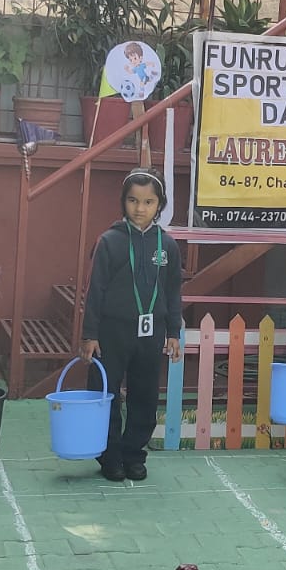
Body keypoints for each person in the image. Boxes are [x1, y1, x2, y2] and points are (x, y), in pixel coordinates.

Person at [81, 169, 184, 482]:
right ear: (123, 202)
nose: (140, 208)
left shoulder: (168, 246)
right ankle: (109, 456)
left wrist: (173, 332)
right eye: (133, 200)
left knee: (145, 395)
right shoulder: (109, 241)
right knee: (106, 394)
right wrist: (90, 334)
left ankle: (134, 454)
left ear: (159, 204)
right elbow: (94, 290)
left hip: (150, 333)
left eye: (148, 202)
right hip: (112, 332)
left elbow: (173, 291)